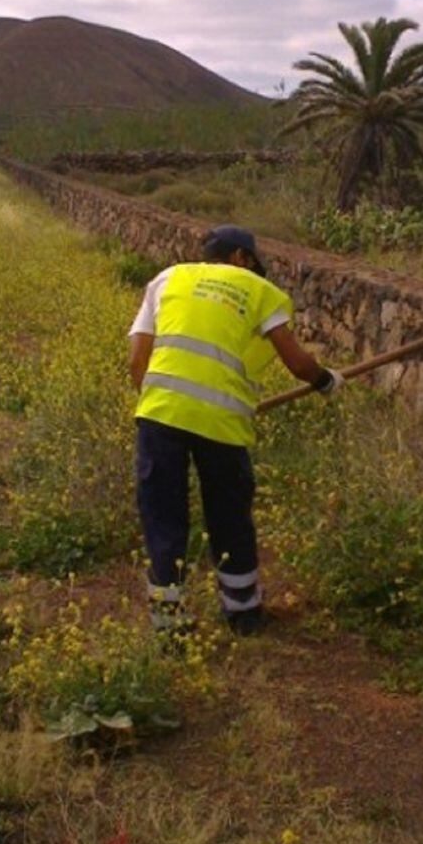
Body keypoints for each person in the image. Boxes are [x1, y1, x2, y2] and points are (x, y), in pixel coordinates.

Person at [128, 225, 344, 637]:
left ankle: (168, 625)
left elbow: (139, 355)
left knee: (163, 519)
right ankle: (243, 615)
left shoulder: (169, 278)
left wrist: (158, 403)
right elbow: (297, 364)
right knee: (229, 517)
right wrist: (326, 381)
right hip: (222, 425)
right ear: (242, 258)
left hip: (159, 416)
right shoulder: (259, 290)